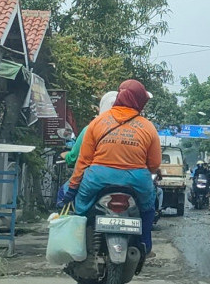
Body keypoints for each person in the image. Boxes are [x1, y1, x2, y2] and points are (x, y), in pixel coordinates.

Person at [61, 79, 161, 256]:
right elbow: (154, 165)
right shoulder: (148, 127)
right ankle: (145, 243)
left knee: (80, 209)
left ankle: (77, 245)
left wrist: (73, 188)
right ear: (138, 100)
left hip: (98, 177)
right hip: (137, 179)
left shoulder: (97, 122)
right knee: (148, 208)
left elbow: (83, 161)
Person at [61, 91, 118, 167]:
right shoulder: (133, 131)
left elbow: (73, 159)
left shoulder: (90, 129)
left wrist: (65, 155)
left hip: (94, 176)